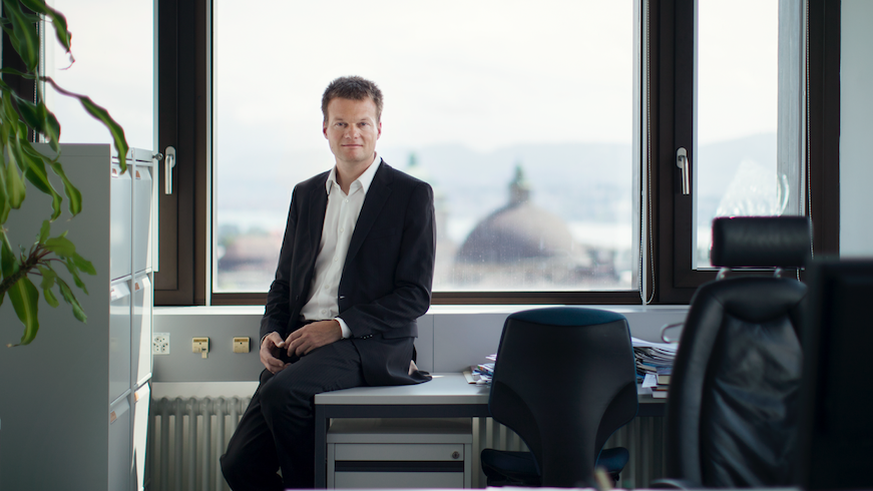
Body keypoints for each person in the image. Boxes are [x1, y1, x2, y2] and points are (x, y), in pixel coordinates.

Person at [220, 76, 436, 490]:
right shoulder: (305, 195)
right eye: (340, 124)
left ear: (378, 129)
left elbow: (415, 296)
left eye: (362, 124)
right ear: (325, 130)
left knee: (283, 396)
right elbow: (283, 283)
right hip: (299, 343)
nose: (351, 133)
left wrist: (337, 327)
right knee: (239, 466)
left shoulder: (411, 195)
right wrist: (271, 333)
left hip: (368, 343)